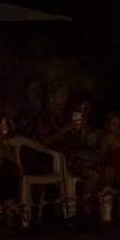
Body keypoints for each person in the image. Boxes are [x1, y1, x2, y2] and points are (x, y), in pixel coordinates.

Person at [33, 86, 101, 214]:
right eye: (61, 96)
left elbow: (77, 142)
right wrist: (64, 130)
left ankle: (85, 210)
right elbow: (44, 142)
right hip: (50, 159)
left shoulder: (66, 116)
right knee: (88, 171)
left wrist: (80, 132)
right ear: (51, 97)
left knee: (98, 170)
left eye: (66, 97)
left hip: (71, 156)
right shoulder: (42, 118)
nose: (64, 100)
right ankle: (74, 212)